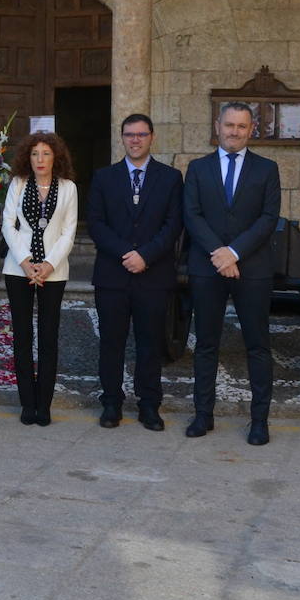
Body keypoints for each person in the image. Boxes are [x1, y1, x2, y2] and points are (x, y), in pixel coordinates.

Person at [182, 102, 281, 446]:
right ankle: (202, 415)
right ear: (217, 125)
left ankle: (259, 421)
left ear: (251, 129)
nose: (234, 132)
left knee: (257, 345)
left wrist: (234, 252)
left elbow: (269, 218)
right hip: (207, 267)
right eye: (229, 125)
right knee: (206, 344)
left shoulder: (267, 169)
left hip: (251, 268)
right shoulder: (197, 168)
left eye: (241, 126)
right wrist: (220, 255)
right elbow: (192, 215)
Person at [87, 114, 182, 431]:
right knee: (111, 342)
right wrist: (126, 254)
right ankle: (111, 403)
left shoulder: (170, 178)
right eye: (130, 135)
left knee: (149, 342)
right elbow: (96, 224)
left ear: (152, 137)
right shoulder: (103, 177)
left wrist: (146, 255)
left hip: (153, 275)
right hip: (113, 275)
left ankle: (149, 405)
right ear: (122, 137)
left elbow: (173, 225)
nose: (135, 140)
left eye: (141, 134)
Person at [2, 132, 78, 427]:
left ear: (55, 157)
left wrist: (47, 264)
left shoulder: (69, 188)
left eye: (46, 153)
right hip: (18, 269)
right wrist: (25, 262)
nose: (40, 159)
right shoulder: (18, 184)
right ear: (27, 158)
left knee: (48, 336)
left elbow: (69, 231)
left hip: (53, 271)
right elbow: (8, 224)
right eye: (35, 154)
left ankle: (44, 404)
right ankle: (27, 402)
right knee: (22, 336)